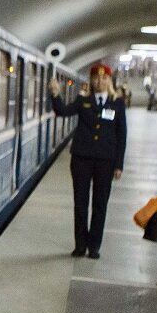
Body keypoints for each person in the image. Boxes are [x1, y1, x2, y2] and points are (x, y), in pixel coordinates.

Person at [47, 64, 127, 259]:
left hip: (105, 161)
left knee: (100, 204)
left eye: (104, 78)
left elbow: (121, 134)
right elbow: (63, 111)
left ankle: (94, 246)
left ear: (109, 80)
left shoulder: (117, 104)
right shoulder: (83, 101)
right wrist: (55, 95)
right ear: (91, 80)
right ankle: (80, 245)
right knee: (80, 203)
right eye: (96, 78)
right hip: (81, 159)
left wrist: (119, 165)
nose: (100, 82)